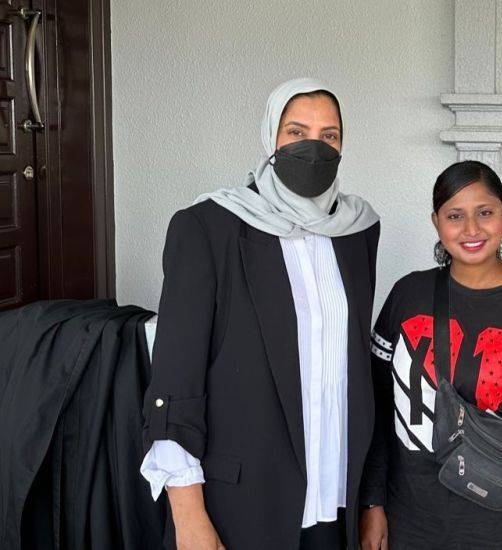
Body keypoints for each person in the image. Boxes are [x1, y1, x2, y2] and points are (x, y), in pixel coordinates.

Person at [140, 78, 380, 550]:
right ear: (270, 138)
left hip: (336, 502)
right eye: (296, 131)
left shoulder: (356, 231)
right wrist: (189, 518)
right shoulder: (208, 227)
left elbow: (358, 372)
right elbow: (175, 380)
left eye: (329, 135)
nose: (313, 147)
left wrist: (371, 498)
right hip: (242, 507)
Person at [360, 161, 502, 550]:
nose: (471, 230)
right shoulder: (407, 296)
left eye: (485, 212)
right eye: (454, 215)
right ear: (436, 222)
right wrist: (372, 501)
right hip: (407, 522)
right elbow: (378, 411)